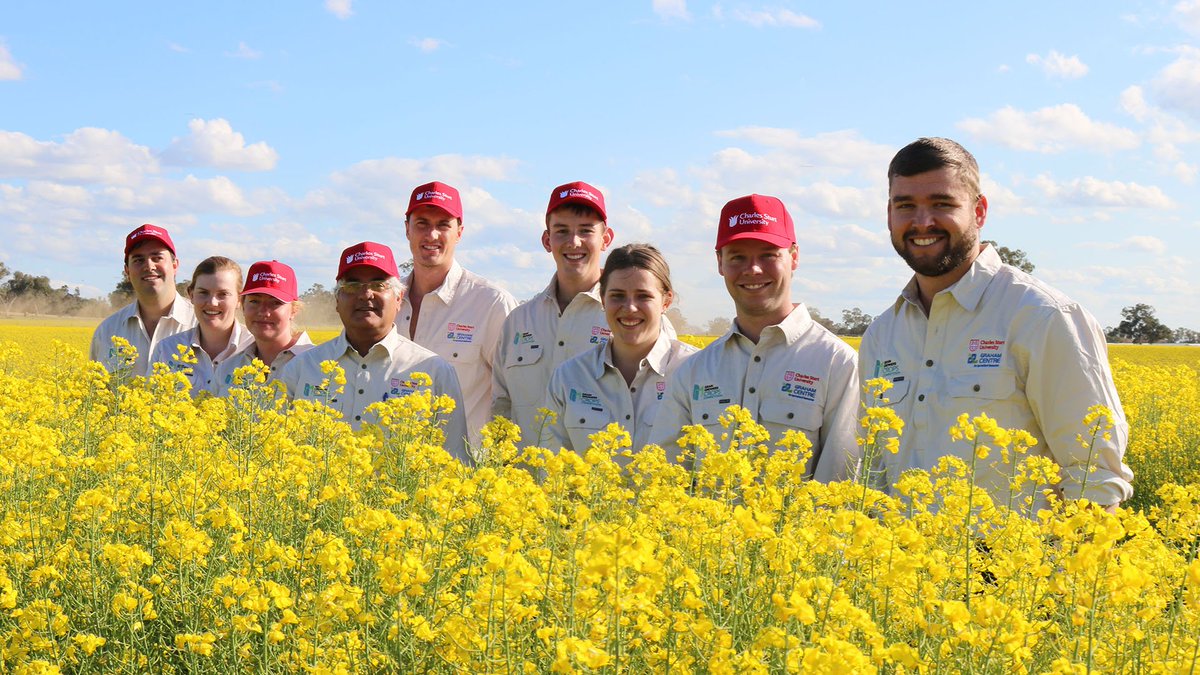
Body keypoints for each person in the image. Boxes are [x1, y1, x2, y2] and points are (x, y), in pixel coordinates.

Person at [861, 137, 1133, 508]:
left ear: (980, 211)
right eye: (905, 205)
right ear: (889, 214)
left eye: (942, 204)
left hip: (1013, 562)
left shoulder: (1043, 317)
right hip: (904, 562)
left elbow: (1094, 476)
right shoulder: (882, 335)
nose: (922, 222)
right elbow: (874, 473)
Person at [651, 194, 859, 482]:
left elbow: (840, 482)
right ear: (720, 262)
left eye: (768, 254)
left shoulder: (837, 363)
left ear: (794, 257)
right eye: (738, 257)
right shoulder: (692, 373)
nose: (753, 269)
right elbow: (666, 480)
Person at [277, 241, 470, 464]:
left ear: (399, 299)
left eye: (379, 285)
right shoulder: (301, 370)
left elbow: (455, 461)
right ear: (337, 301)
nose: (365, 294)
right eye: (352, 285)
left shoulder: (434, 370)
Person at [491, 181, 618, 446]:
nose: (574, 242)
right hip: (523, 483)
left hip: (599, 484)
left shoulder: (631, 318)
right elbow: (501, 407)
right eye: (562, 231)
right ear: (547, 241)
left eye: (586, 231)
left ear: (606, 240)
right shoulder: (518, 321)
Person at [544, 244, 697, 460]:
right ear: (603, 300)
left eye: (643, 296)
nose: (630, 307)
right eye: (617, 296)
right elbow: (553, 470)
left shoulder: (695, 370)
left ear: (666, 301)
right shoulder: (570, 377)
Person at [399, 181, 518, 449]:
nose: (432, 235)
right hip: (393, 477)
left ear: (459, 232)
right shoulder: (386, 303)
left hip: (464, 476)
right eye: (422, 224)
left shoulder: (491, 303)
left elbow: (513, 394)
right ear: (407, 229)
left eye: (443, 224)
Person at [90, 224, 196, 376]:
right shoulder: (107, 331)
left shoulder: (202, 324)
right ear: (127, 271)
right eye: (138, 260)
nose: (149, 266)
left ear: (175, 265)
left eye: (157, 257)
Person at [150, 256, 253, 396]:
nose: (212, 302)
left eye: (223, 294)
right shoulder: (167, 350)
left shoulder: (255, 349)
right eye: (203, 293)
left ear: (239, 300)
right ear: (191, 295)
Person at [214, 260, 315, 396]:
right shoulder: (227, 369)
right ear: (243, 305)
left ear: (293, 310)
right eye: (254, 301)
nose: (263, 312)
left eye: (275, 303)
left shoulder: (318, 365)